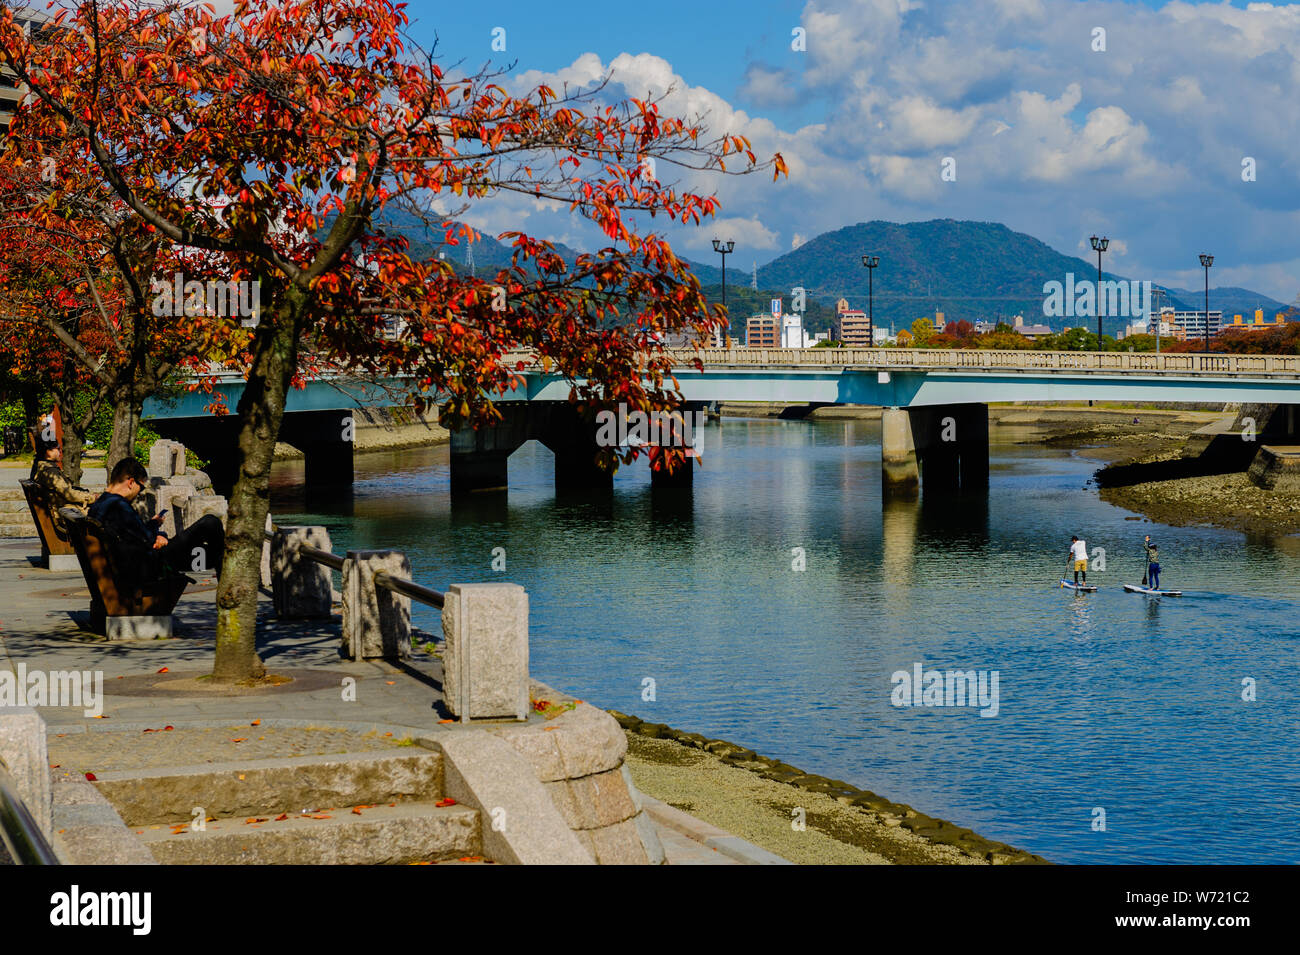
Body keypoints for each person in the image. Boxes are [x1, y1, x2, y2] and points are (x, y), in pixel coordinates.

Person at [89, 458, 225, 579]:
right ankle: (224, 579)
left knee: (213, 554)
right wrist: (158, 537)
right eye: (141, 487)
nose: (139, 493)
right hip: (152, 565)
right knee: (210, 522)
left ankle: (220, 565)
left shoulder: (99, 505)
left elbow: (135, 534)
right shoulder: (119, 505)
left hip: (133, 564)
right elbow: (148, 539)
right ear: (131, 482)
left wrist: (155, 530)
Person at [30, 438, 97, 535]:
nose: (60, 452)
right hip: (66, 514)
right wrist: (92, 498)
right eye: (57, 449)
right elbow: (69, 495)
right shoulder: (50, 472)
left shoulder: (44, 468)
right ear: (48, 452)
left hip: (64, 510)